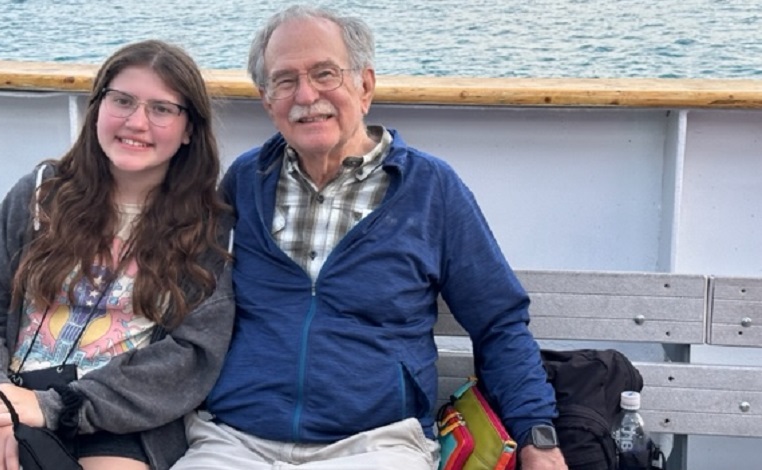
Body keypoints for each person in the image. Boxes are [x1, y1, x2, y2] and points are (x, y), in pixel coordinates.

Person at [171, 5, 567, 470]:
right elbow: (192, 295)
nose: (306, 95)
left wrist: (537, 435)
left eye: (325, 73)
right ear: (266, 100)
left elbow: (497, 322)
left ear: (364, 86)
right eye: (284, 80)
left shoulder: (431, 189)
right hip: (235, 441)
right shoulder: (246, 180)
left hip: (376, 445)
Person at [0, 40, 234, 470]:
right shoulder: (41, 195)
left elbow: (188, 359)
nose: (137, 122)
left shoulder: (208, 230)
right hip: (0, 401)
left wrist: (52, 407)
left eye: (161, 109)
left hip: (117, 424)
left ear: (189, 128)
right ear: (97, 107)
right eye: (122, 101)